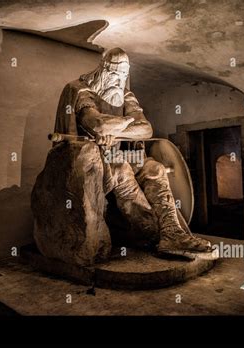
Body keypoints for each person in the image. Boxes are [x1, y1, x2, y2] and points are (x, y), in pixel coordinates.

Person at [54, 47, 212, 258]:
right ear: (103, 70)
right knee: (121, 171)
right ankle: (151, 232)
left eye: (123, 76)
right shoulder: (81, 90)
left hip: (120, 155)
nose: (119, 81)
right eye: (115, 75)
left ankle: (172, 232)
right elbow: (96, 123)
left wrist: (117, 128)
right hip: (92, 159)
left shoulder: (126, 95)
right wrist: (120, 126)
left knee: (154, 168)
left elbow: (146, 130)